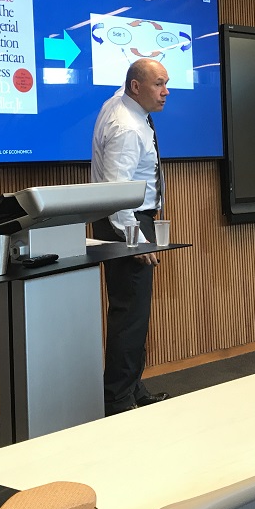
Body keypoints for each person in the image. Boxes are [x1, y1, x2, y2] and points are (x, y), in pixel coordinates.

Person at [90, 58, 171, 416]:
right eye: (158, 84)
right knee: (130, 313)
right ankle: (118, 399)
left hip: (126, 219)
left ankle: (132, 388)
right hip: (126, 222)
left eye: (166, 82)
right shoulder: (126, 126)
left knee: (134, 310)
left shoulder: (121, 103)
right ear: (136, 87)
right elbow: (117, 191)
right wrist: (133, 238)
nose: (166, 92)